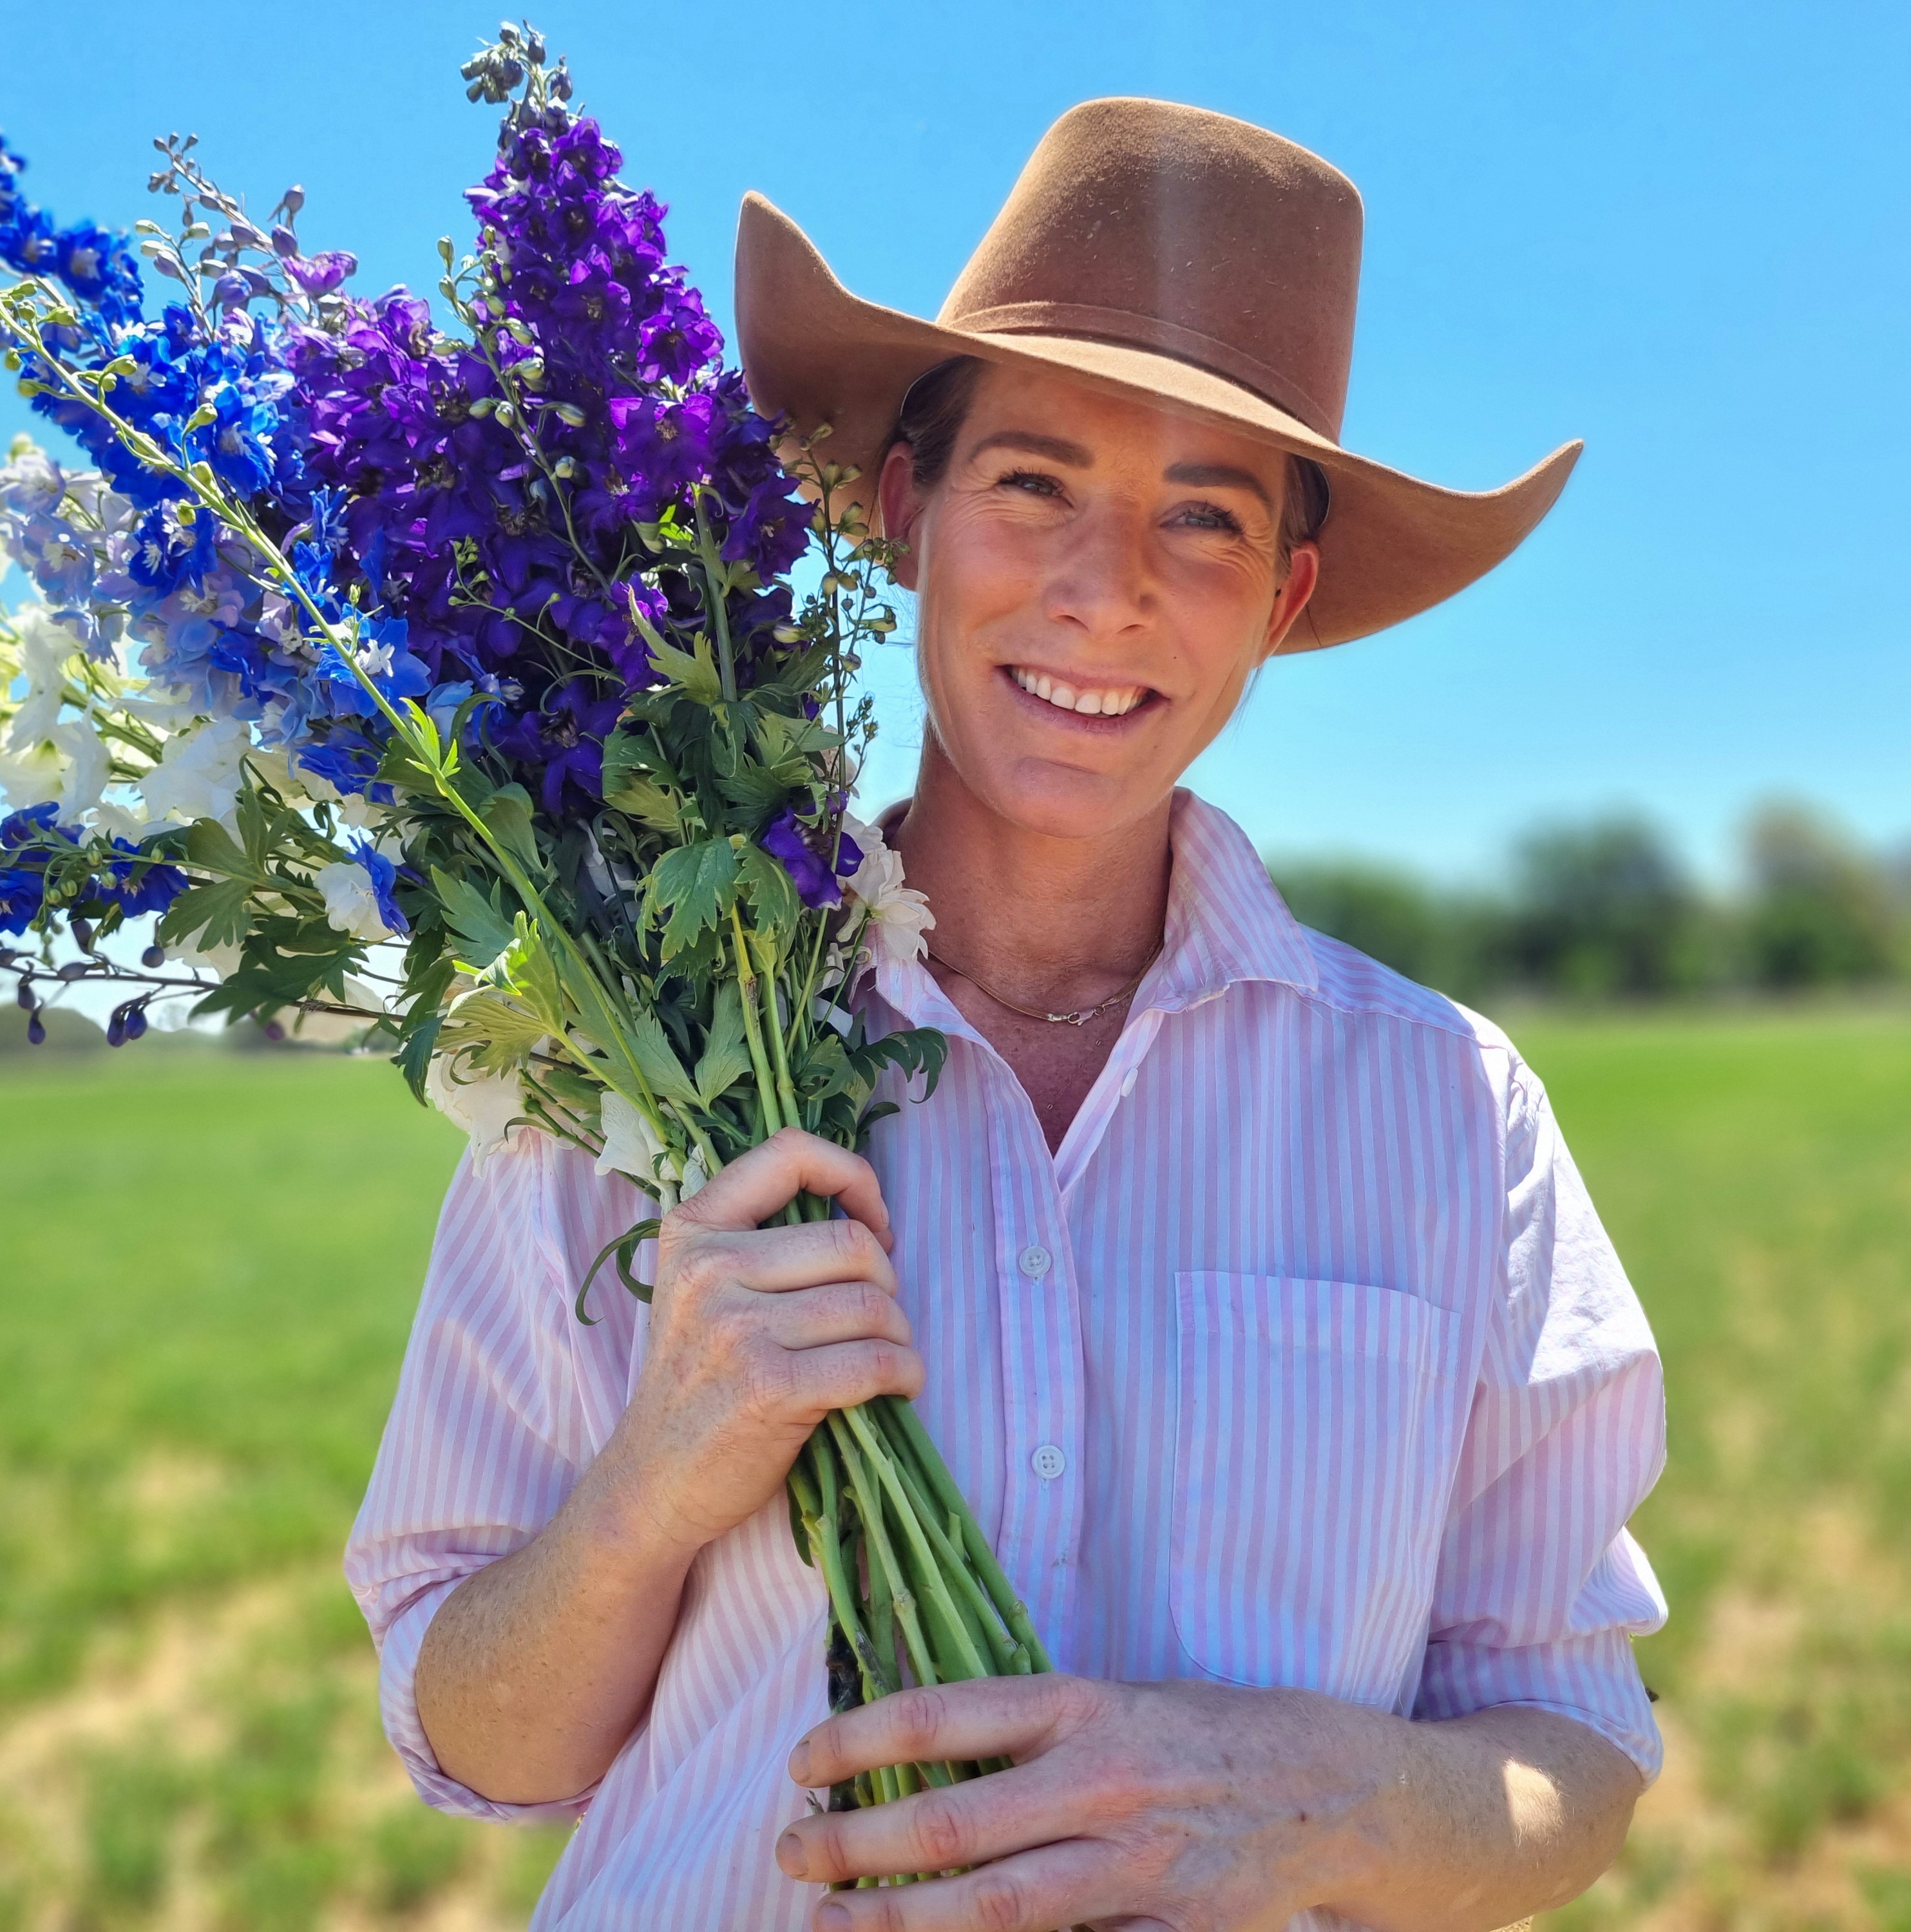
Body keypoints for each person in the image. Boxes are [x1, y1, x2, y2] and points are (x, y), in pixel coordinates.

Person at [348, 98, 1667, 1932]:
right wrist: (660, 1477)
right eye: (1035, 482)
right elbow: (472, 1740)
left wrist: (1299, 1796)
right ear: (907, 509)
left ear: (1283, 600)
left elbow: (1578, 1742)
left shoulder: (1453, 1108)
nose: (1104, 590)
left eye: (1202, 520)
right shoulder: (623, 1058)